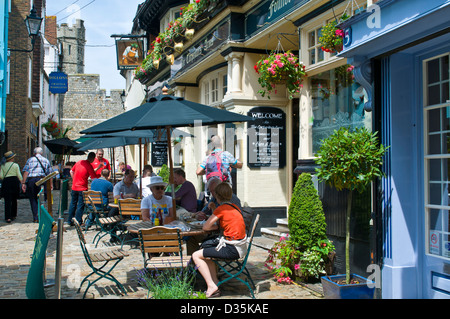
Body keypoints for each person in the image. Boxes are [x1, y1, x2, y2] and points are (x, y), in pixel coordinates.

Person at [191, 182, 247, 298]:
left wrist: (214, 212)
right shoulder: (233, 206)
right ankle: (215, 283)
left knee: (196, 255)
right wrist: (214, 210)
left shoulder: (222, 208)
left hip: (232, 249)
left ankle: (211, 285)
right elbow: (221, 223)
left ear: (217, 196)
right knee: (206, 250)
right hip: (239, 247)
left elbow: (206, 227)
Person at [22, 147, 53, 223]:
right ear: (41, 153)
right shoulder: (46, 160)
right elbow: (50, 174)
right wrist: (51, 184)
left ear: (34, 153)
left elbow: (26, 172)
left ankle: (35, 216)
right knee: (42, 198)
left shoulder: (30, 160)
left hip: (32, 180)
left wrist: (23, 183)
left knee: (33, 198)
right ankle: (42, 215)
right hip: (42, 180)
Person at [67, 152, 97, 225]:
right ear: (93, 159)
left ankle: (69, 220)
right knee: (80, 205)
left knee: (73, 204)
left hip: (74, 187)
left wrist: (74, 180)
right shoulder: (89, 166)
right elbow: (94, 179)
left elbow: (71, 171)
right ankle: (78, 221)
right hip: (82, 188)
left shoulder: (79, 162)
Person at [0, 151, 23, 223]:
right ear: (12, 158)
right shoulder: (15, 165)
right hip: (14, 182)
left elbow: (1, 176)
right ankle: (13, 215)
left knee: (7, 200)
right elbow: (19, 175)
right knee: (14, 199)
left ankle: (8, 217)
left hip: (6, 182)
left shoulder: (3, 165)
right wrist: (22, 183)